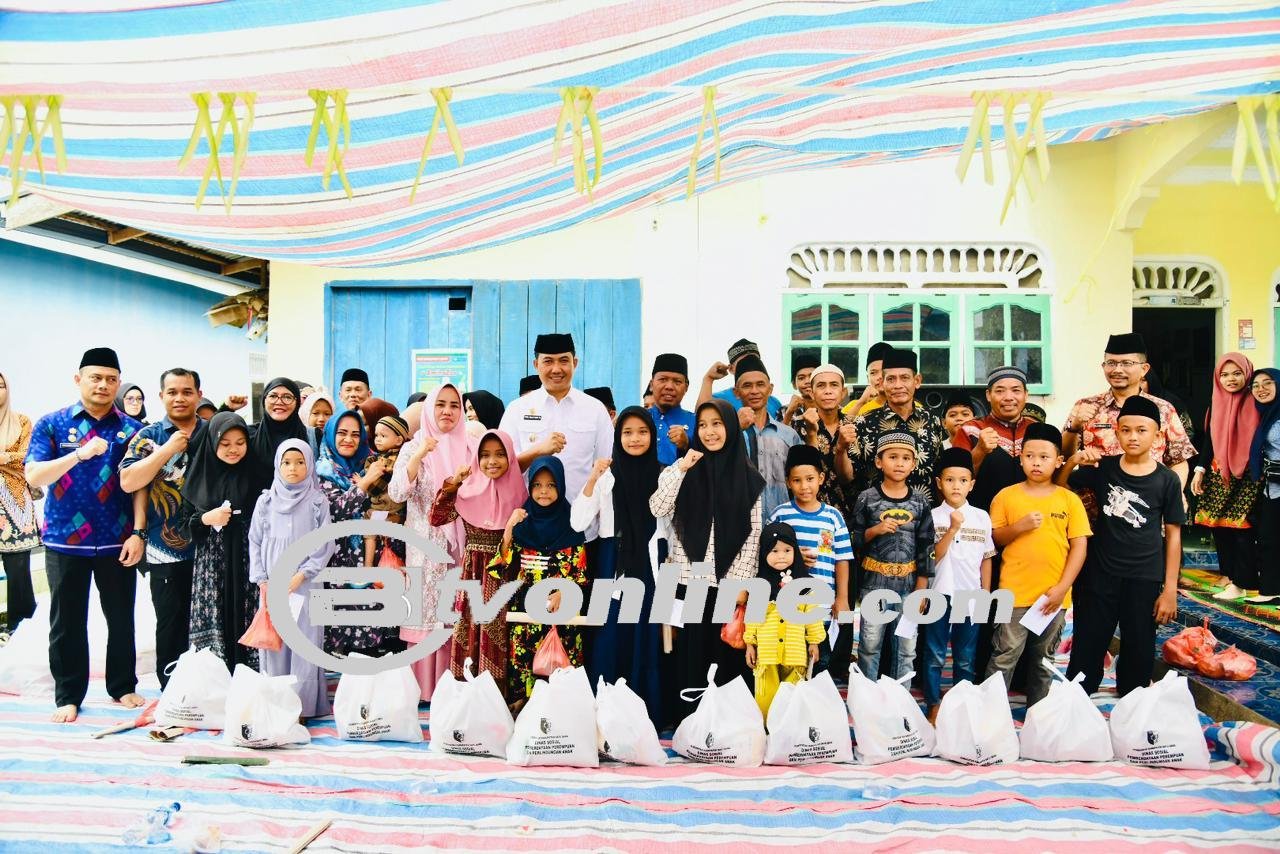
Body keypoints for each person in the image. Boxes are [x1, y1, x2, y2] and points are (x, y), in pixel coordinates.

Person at [25, 348, 145, 723]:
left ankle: (123, 686)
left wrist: (139, 532)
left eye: (111, 379)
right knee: (67, 621)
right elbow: (34, 476)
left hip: (118, 539)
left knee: (121, 618)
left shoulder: (132, 429)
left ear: (119, 382)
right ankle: (68, 695)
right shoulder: (52, 424)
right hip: (65, 541)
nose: (104, 385)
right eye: (96, 377)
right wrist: (77, 455)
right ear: (78, 380)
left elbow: (141, 485)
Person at [1061, 396, 1183, 696]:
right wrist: (1073, 461)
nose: (1133, 437)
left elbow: (1174, 535)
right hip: (1100, 573)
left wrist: (1169, 590)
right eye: (1126, 430)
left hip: (1144, 576)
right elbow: (1062, 488)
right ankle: (1076, 701)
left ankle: (1132, 700)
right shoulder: (1106, 468)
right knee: (1088, 642)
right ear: (1117, 432)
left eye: (1142, 430)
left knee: (1139, 646)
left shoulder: (1167, 480)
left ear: (1157, 435)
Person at [649, 398, 764, 692]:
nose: (709, 432)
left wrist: (741, 584)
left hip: (729, 582)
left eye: (717, 424)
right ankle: (691, 724)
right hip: (690, 580)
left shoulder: (748, 477)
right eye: (702, 425)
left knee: (728, 653)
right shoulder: (683, 468)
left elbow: (753, 535)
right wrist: (682, 468)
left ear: (730, 428)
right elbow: (658, 508)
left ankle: (728, 726)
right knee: (692, 656)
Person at [986, 423, 1091, 708]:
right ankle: (990, 712)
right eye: (1030, 456)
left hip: (1053, 596)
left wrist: (1062, 588)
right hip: (1013, 593)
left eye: (1044, 457)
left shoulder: (1068, 499)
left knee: (1044, 660)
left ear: (1058, 461)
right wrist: (1019, 527)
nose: (1036, 462)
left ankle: (1038, 715)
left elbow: (1079, 546)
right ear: (1020, 458)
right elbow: (994, 539)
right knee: (1004, 654)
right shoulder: (1006, 496)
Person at [571, 408, 665, 725]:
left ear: (652, 435)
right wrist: (593, 478)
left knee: (645, 635)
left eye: (642, 431)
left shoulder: (664, 474)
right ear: (617, 436)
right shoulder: (607, 477)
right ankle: (603, 710)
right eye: (627, 432)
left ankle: (644, 713)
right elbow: (579, 521)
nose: (635, 438)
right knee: (609, 634)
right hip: (612, 561)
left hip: (651, 564)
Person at [119, 367, 204, 688]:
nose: (179, 398)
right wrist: (168, 449)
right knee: (170, 623)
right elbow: (129, 482)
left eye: (186, 391)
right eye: (172, 392)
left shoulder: (213, 432)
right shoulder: (149, 436)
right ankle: (173, 690)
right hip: (162, 547)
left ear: (198, 394)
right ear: (161, 396)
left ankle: (207, 688)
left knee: (209, 621)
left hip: (212, 547)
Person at [431, 429, 528, 697]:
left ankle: (500, 702)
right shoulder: (467, 492)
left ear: (510, 458)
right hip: (473, 573)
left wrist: (509, 530)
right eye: (484, 456)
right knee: (469, 631)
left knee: (502, 632)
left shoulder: (520, 496)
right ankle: (468, 700)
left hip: (506, 575)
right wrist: (455, 482)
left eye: (500, 455)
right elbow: (437, 517)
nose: (492, 461)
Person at [389, 383, 470, 700]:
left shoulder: (469, 447)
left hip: (459, 546)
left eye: (454, 405)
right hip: (423, 546)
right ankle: (422, 691)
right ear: (429, 410)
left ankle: (451, 690)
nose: (447, 411)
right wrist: (419, 455)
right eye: (441, 405)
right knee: (426, 614)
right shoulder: (414, 447)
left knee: (454, 612)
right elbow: (397, 493)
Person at [489, 456, 588, 709]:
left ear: (561, 487)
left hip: (560, 612)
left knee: (559, 668)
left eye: (551, 485)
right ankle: (525, 714)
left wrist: (562, 594)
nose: (543, 491)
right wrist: (510, 527)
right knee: (526, 664)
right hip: (526, 612)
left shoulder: (572, 524)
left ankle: (559, 718)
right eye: (537, 485)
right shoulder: (523, 524)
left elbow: (580, 574)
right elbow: (501, 567)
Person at [1061, 333, 1195, 516]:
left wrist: (1175, 493)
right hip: (1094, 513)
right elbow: (1064, 456)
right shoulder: (1086, 406)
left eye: (1126, 363)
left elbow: (1178, 460)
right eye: (1111, 363)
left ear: (1144, 369)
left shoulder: (1163, 409)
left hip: (1147, 510)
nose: (1117, 369)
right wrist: (1074, 426)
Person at [249, 440, 335, 718]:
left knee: (305, 642)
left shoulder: (317, 501)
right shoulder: (266, 501)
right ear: (277, 465)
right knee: (275, 641)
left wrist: (302, 574)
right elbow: (255, 540)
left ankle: (302, 706)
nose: (293, 468)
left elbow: (325, 543)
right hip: (273, 582)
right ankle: (276, 703)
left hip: (306, 584)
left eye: (300, 462)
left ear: (309, 465)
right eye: (287, 462)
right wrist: (261, 578)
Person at [849, 433, 935, 680]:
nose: (899, 463)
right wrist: (875, 530)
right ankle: (866, 699)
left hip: (909, 585)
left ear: (914, 463)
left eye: (906, 458)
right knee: (869, 645)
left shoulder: (920, 501)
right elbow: (852, 539)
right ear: (879, 462)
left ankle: (902, 703)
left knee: (907, 649)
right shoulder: (868, 498)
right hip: (874, 585)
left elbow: (927, 545)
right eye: (893, 457)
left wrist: (922, 588)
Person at [180, 412, 260, 674]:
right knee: (217, 612)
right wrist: (205, 517)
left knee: (247, 613)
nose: (233, 450)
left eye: (240, 442)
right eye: (225, 444)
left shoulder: (256, 473)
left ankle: (249, 675)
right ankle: (216, 678)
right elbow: (183, 523)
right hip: (212, 563)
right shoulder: (199, 476)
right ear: (213, 444)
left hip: (249, 558)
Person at [767, 443, 853, 675]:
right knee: (791, 665)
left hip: (823, 605)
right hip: (789, 605)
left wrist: (842, 598)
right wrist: (794, 558)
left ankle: (817, 708)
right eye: (797, 480)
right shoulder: (781, 515)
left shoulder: (833, 517)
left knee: (820, 664)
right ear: (788, 482)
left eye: (810, 479)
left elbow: (842, 559)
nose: (804, 486)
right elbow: (767, 556)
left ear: (821, 478)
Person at [498, 334, 613, 504]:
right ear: (536, 365)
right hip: (530, 519)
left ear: (575, 363)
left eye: (564, 360)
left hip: (581, 520)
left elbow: (606, 466)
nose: (557, 369)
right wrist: (538, 451)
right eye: (548, 361)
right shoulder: (516, 410)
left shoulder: (595, 409)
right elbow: (503, 468)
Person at [924, 447, 994, 722]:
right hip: (938, 593)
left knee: (966, 654)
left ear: (972, 484)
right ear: (939, 483)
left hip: (971, 595)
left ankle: (962, 702)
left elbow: (987, 558)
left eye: (963, 480)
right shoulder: (932, 517)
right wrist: (952, 529)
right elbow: (932, 557)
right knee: (934, 653)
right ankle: (933, 703)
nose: (956, 486)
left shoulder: (981, 517)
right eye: (950, 480)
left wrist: (986, 592)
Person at [315, 409, 390, 656]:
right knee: (337, 634)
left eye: (356, 434)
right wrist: (367, 482)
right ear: (330, 434)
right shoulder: (322, 471)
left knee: (369, 635)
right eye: (342, 433)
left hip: (369, 555)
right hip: (338, 556)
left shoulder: (369, 463)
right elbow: (337, 511)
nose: (349, 439)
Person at [1191, 353, 1263, 601]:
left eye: (1236, 373)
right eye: (1224, 374)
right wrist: (1199, 470)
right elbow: (1210, 440)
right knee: (1219, 528)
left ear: (1247, 374)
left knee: (1242, 529)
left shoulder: (1258, 402)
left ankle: (1244, 582)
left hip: (1249, 475)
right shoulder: (1216, 403)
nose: (1230, 379)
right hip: (1218, 473)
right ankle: (1231, 578)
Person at [743, 522, 825, 717]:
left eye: (787, 550)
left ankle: (789, 731)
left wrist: (814, 642)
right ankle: (767, 731)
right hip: (767, 652)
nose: (781, 556)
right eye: (774, 551)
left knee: (793, 694)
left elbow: (812, 616)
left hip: (795, 652)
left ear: (795, 551)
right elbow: (752, 619)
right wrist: (749, 644)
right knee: (765, 695)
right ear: (764, 554)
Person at [850, 348, 945, 500]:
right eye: (891, 379)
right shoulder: (864, 423)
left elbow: (940, 469)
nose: (897, 385)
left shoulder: (932, 421)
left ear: (917, 381)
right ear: (881, 383)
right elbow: (850, 477)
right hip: (877, 517)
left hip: (924, 516)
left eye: (905, 378)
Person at [951, 366, 1038, 510]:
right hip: (982, 519)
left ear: (1026, 395)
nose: (1008, 397)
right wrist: (980, 450)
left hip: (1031, 517)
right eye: (1000, 391)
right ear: (988, 395)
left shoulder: (1036, 430)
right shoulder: (970, 430)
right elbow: (954, 478)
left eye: (1016, 390)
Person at [733, 355, 801, 519]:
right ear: (736, 392)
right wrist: (734, 428)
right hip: (740, 524)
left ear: (770, 389)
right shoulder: (725, 433)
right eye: (747, 386)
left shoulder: (789, 435)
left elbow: (801, 478)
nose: (755, 391)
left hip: (781, 523)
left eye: (760, 385)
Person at [0, 372, 39, 636]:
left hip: (15, 506)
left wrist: (5, 456)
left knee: (19, 574)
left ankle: (21, 628)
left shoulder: (22, 422)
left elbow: (26, 457)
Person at [1247, 369, 1280, 604]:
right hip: (1273, 487)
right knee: (1268, 538)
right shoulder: (1267, 414)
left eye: (1268, 383)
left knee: (1270, 538)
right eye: (1256, 385)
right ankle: (1271, 589)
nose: (1261, 389)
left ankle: (1271, 590)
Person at [361, 415, 410, 568]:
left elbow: (374, 487)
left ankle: (368, 567)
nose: (378, 439)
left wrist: (363, 482)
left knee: (369, 532)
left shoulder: (393, 459)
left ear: (398, 440)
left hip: (387, 509)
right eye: (376, 435)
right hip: (386, 510)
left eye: (383, 435)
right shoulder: (382, 457)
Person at [248, 378, 310, 490]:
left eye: (287, 397)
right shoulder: (249, 434)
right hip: (256, 505)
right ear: (264, 400)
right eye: (273, 396)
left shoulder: (311, 436)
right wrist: (227, 408)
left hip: (299, 504)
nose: (279, 401)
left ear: (297, 402)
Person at [701, 338, 784, 420]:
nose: (750, 365)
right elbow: (701, 420)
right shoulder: (719, 400)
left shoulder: (774, 402)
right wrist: (708, 379)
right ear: (731, 369)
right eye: (743, 362)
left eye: (754, 361)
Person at [647, 353, 696, 467]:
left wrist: (687, 444)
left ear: (686, 387)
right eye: (663, 379)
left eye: (677, 381)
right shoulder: (637, 419)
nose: (669, 386)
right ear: (651, 384)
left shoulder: (698, 422)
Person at [841, 342, 893, 417]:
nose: (880, 377)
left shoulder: (912, 407)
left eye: (884, 371)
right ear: (867, 378)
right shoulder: (854, 406)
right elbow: (841, 427)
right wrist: (860, 403)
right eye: (873, 373)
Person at [782, 352, 821, 426]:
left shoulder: (831, 408)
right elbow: (777, 437)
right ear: (794, 384)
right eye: (801, 378)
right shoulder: (784, 410)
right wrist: (789, 413)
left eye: (811, 376)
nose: (807, 381)